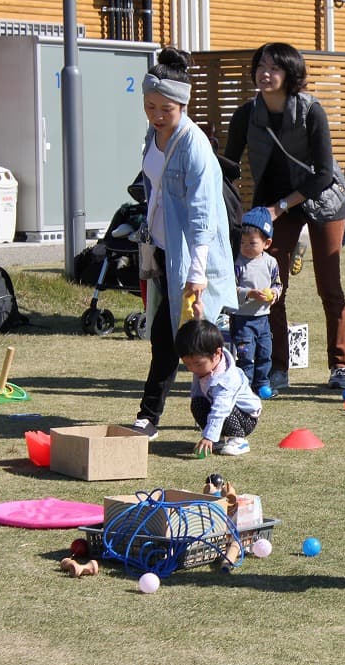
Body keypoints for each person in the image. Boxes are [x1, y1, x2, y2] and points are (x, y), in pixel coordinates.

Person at [224, 42, 345, 392]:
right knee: (270, 284)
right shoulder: (246, 114)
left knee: (329, 285)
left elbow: (324, 174)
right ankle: (276, 366)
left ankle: (340, 366)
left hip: (321, 200)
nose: (265, 73)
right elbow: (229, 166)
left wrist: (282, 206)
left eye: (274, 68)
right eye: (261, 65)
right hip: (270, 206)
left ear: (290, 75)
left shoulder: (312, 111)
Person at [130, 48, 238, 441]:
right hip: (163, 253)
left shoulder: (194, 145)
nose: (157, 115)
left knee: (206, 347)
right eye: (150, 106)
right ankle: (150, 416)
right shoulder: (153, 135)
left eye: (166, 108)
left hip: (195, 262)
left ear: (183, 104)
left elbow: (202, 214)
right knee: (165, 339)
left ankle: (228, 423)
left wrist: (196, 275)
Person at [176, 319, 262, 457]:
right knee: (197, 403)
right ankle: (218, 439)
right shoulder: (207, 361)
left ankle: (239, 440)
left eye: (197, 364)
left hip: (245, 417)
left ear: (217, 353)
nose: (192, 369)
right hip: (220, 407)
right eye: (187, 364)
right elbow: (199, 331)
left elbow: (221, 409)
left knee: (223, 408)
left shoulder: (226, 380)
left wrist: (209, 436)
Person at [232, 207, 283, 396]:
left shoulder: (270, 263)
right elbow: (231, 288)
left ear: (266, 243)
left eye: (251, 243)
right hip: (242, 319)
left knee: (264, 353)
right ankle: (244, 387)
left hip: (263, 318)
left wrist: (274, 294)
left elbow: (278, 284)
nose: (245, 246)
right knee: (245, 355)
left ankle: (262, 384)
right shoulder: (237, 263)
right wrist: (249, 293)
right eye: (242, 242)